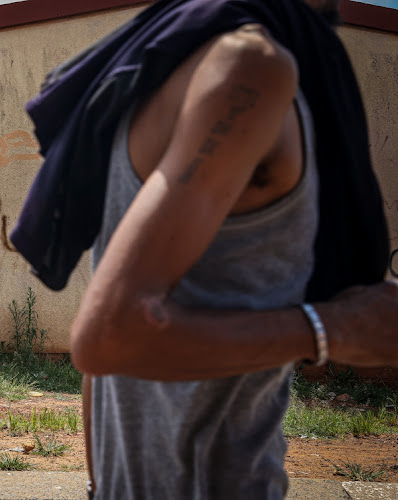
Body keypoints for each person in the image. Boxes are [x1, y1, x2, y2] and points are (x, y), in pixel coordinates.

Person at [45, 0, 398, 498]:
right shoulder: (249, 67)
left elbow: (106, 313)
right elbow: (109, 336)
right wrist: (330, 329)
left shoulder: (171, 56)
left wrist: (100, 487)